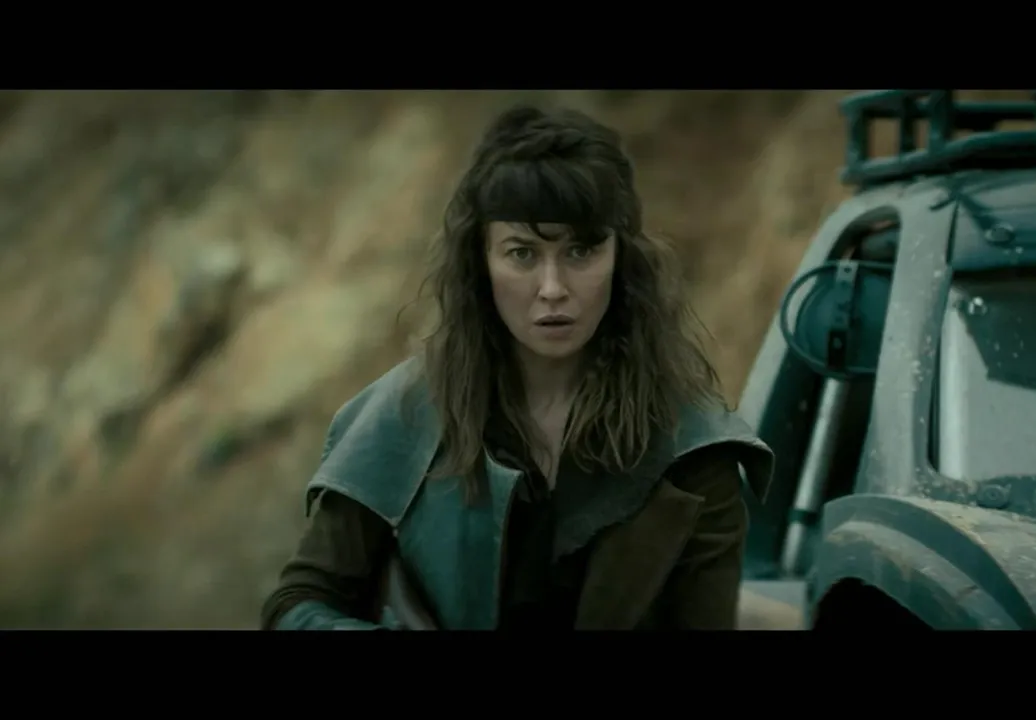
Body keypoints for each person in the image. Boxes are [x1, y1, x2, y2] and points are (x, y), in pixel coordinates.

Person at [260, 103, 774, 631]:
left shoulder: (690, 448)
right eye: (522, 254)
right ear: (481, 261)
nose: (552, 289)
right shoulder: (407, 415)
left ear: (620, 257)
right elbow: (297, 604)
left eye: (581, 251)